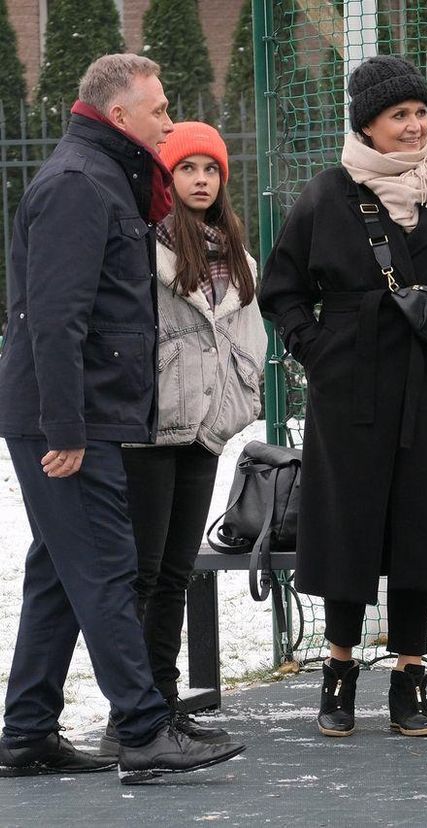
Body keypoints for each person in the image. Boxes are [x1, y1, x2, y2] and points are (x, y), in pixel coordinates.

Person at [0, 54, 245, 782]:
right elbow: (55, 318)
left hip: (84, 414)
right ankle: (142, 730)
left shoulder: (105, 176)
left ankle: (25, 734)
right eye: (160, 110)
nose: (169, 121)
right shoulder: (80, 184)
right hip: (67, 423)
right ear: (118, 116)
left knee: (59, 573)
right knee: (106, 569)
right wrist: (67, 431)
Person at [258, 55, 427, 738]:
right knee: (348, 531)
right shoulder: (326, 195)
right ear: (367, 124)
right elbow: (281, 289)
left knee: (421, 534)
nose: (415, 125)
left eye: (422, 113)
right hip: (350, 398)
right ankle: (338, 673)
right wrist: (320, 352)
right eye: (400, 114)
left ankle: (411, 678)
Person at [96, 122, 268, 755]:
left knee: (175, 572)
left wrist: (236, 402)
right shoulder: (145, 251)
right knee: (140, 573)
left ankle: (163, 702)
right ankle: (131, 716)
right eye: (186, 169)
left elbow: (250, 340)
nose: (201, 180)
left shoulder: (240, 259)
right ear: (167, 179)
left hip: (203, 431)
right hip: (150, 429)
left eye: (211, 169)